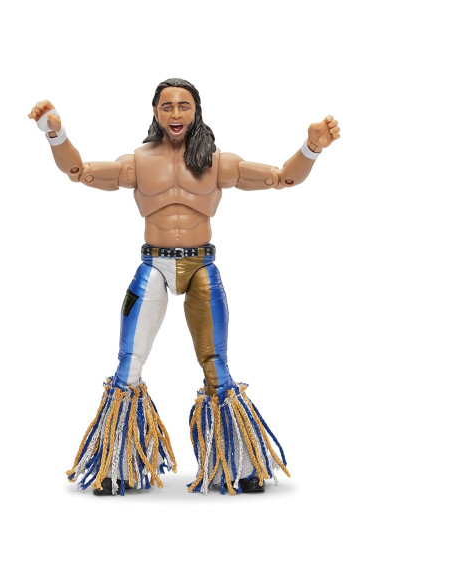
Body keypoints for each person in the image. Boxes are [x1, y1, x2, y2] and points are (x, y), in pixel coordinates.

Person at [29, 78, 340, 495]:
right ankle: (115, 467)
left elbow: (283, 179)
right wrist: (56, 134)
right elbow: (80, 172)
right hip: (155, 264)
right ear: (155, 112)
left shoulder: (217, 162)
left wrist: (312, 147)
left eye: (184, 106)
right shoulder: (139, 162)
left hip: (200, 266)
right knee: (129, 363)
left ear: (196, 111)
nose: (176, 113)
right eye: (168, 106)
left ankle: (238, 464)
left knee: (216, 365)